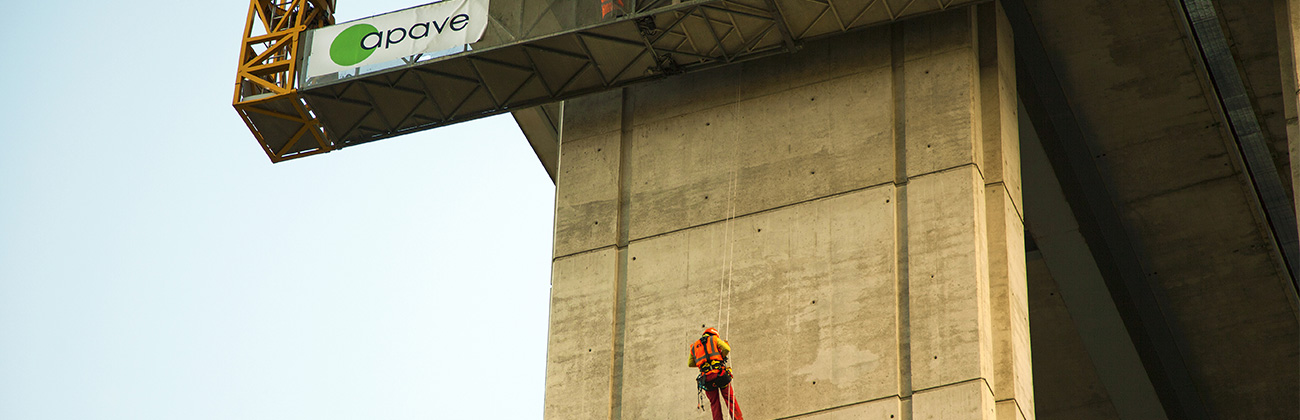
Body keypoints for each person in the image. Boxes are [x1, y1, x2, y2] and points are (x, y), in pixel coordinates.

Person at [689, 327, 743, 420]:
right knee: (730, 400)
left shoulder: (694, 347)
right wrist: (720, 357)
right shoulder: (714, 339)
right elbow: (726, 348)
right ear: (714, 334)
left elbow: (690, 363)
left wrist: (702, 364)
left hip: (706, 378)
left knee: (714, 404)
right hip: (719, 374)